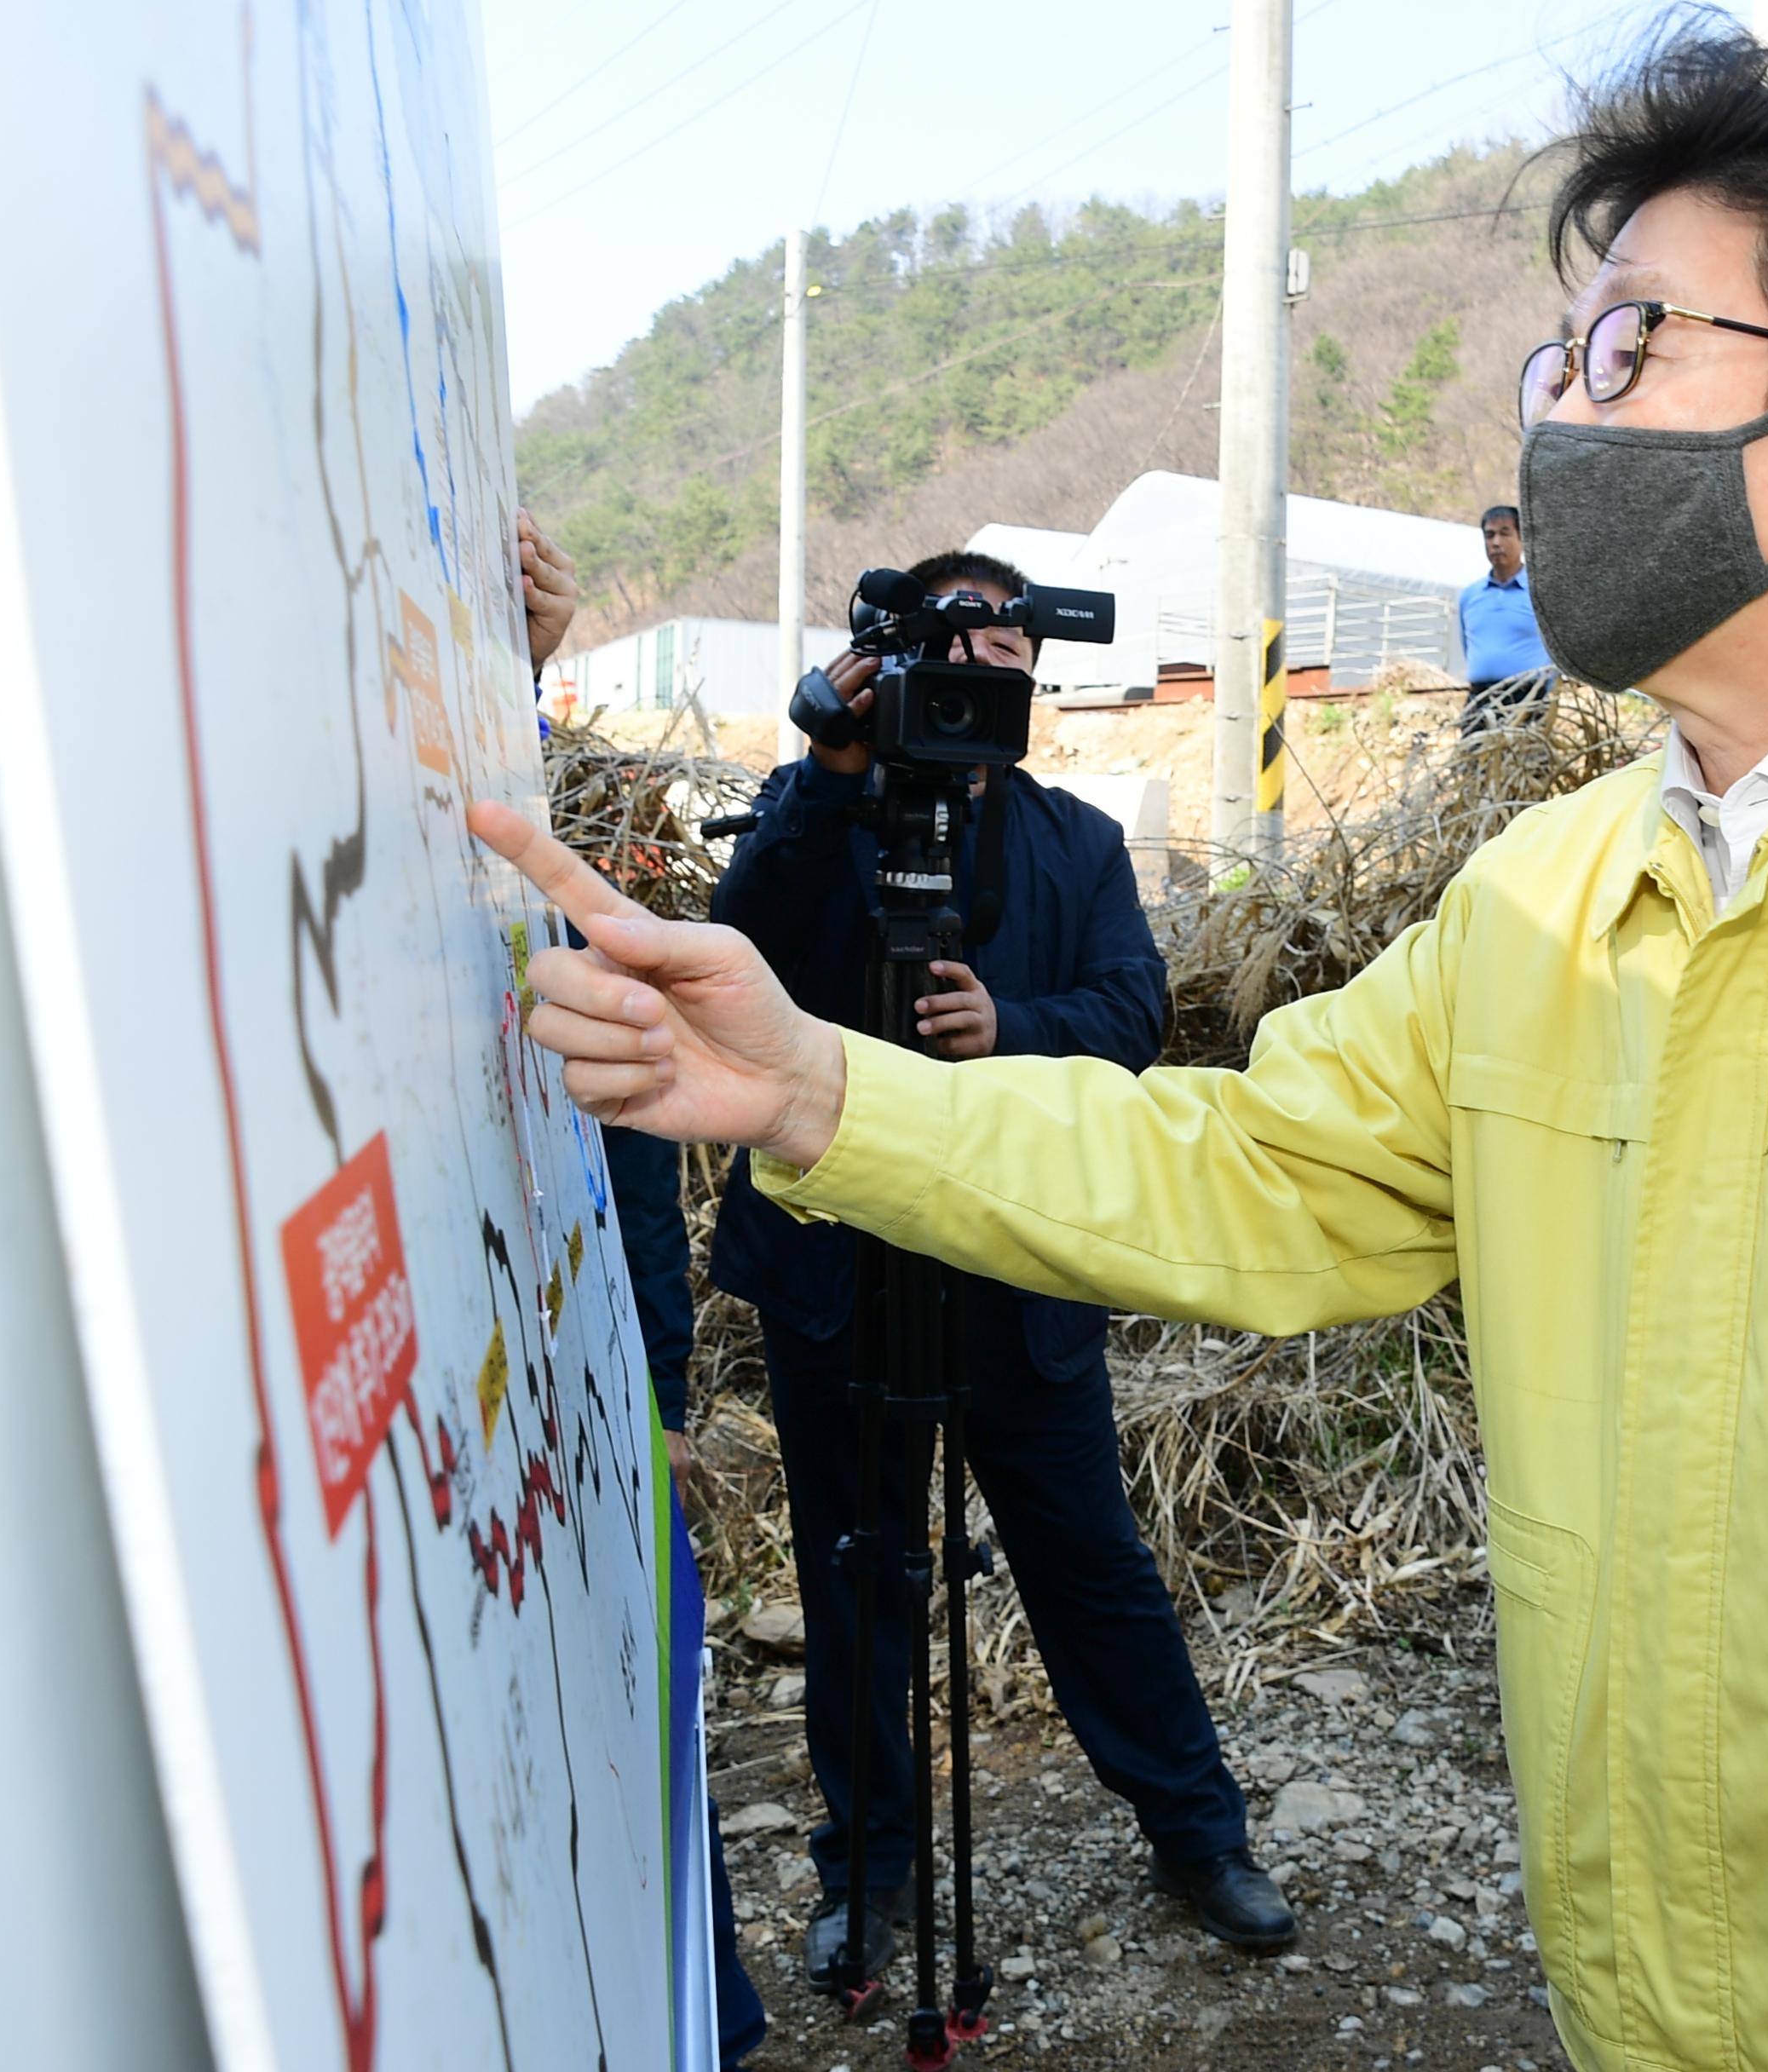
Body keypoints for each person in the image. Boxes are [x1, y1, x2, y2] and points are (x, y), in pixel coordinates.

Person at [473, 26, 1768, 2067]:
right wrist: (823, 1088)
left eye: (1634, 346)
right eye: (1562, 354)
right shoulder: (1551, 897)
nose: (1558, 414)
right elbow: (1258, 1170)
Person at [703, 550, 1293, 1986]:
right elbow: (731, 956)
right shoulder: (816, 814)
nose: (981, 697)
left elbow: (1133, 1010)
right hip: (840, 1271)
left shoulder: (1076, 844)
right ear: (893, 670)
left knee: (1085, 1559)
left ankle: (1195, 1827)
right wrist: (825, 773)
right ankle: (870, 1869)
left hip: (1018, 1266)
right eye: (955, 668)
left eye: (1009, 674)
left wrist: (1008, 1028)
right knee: (857, 1577)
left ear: (1040, 687)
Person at [519, 512, 769, 2067]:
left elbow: (623, 1155)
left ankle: (702, 2013)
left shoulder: (525, 879)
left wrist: (654, 1386)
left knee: (632, 1706)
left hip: (575, 1381)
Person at [1457, 504, 1553, 728]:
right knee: (1473, 761)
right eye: (1489, 535)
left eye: (1505, 533)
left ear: (1522, 538)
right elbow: (1467, 645)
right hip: (1480, 700)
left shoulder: (1540, 592)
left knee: (1526, 762)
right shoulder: (1470, 596)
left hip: (1529, 700)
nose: (1496, 542)